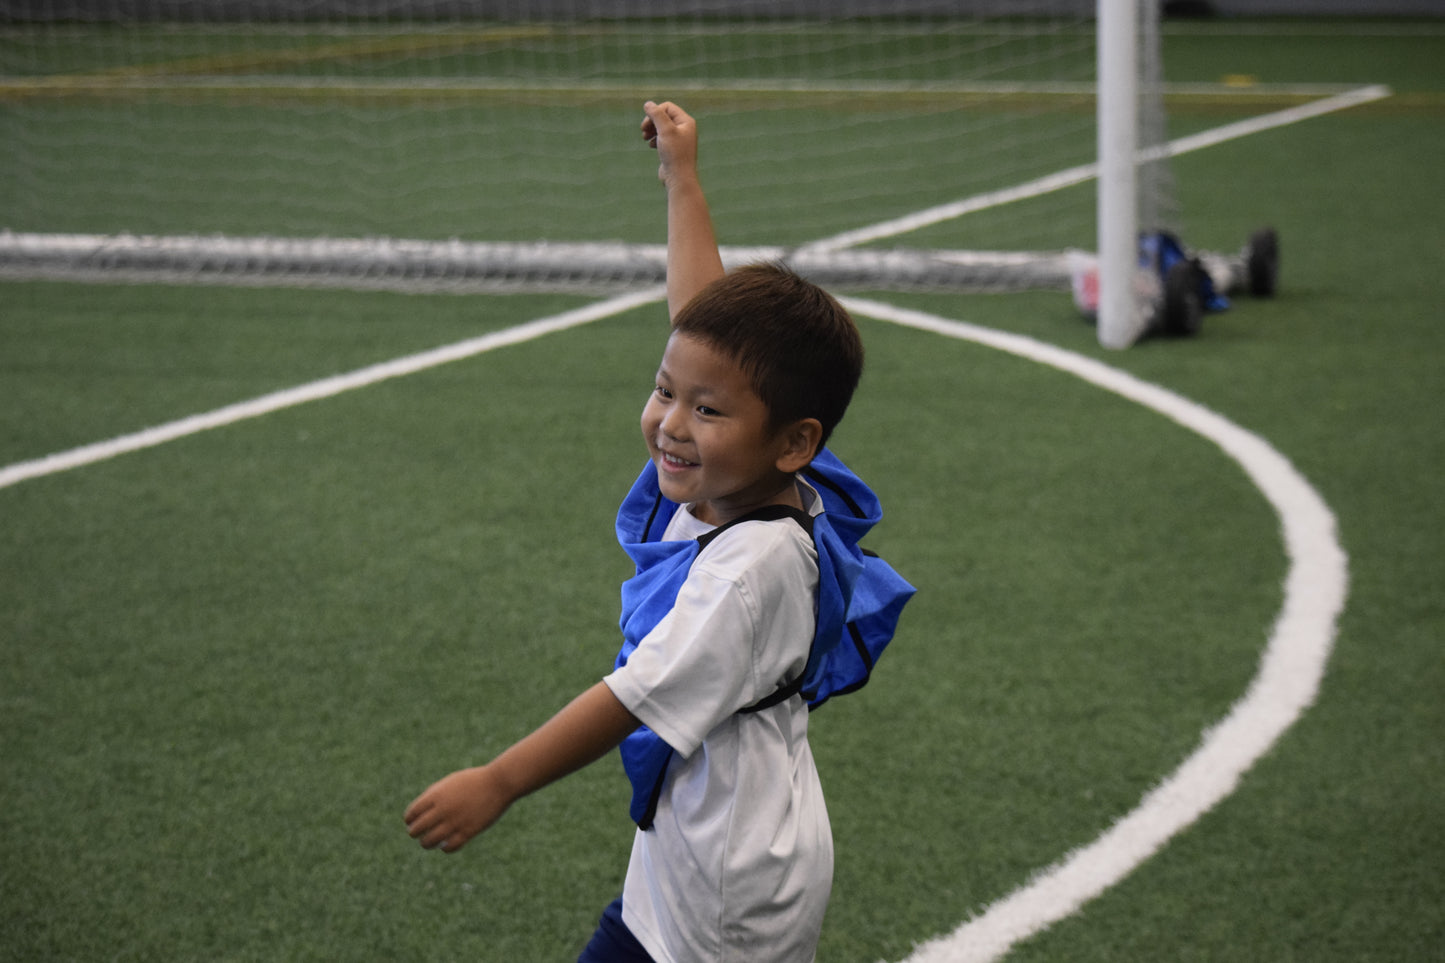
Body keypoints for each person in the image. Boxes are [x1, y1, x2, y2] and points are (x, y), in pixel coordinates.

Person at [404, 100, 911, 963]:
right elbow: (699, 315)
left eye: (706, 409)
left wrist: (499, 781)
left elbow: (628, 698)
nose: (672, 422)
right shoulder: (766, 471)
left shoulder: (746, 573)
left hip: (728, 887)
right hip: (695, 843)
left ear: (794, 441)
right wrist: (680, 174)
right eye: (664, 389)